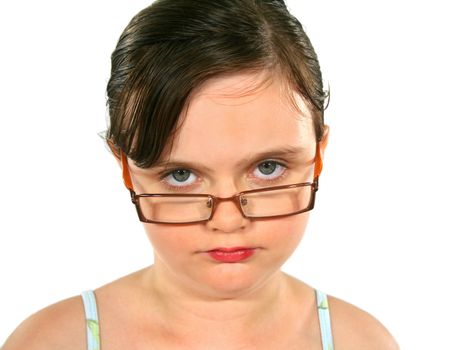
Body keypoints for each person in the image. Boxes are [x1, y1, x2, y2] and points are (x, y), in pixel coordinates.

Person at [3, 0, 399, 349]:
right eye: (180, 175)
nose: (228, 220)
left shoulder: (360, 342)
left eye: (267, 168)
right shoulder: (52, 342)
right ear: (125, 167)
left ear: (318, 156)